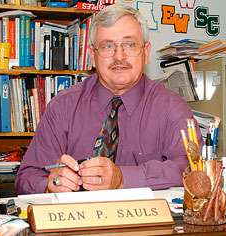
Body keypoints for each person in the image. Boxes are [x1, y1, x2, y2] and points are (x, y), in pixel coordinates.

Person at [15, 4, 204, 194]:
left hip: (146, 221)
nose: (119, 56)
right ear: (92, 55)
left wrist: (124, 178)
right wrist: (51, 186)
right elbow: (27, 177)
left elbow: (195, 169)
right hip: (77, 220)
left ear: (146, 52)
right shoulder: (63, 106)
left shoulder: (171, 107)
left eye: (129, 44)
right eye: (107, 46)